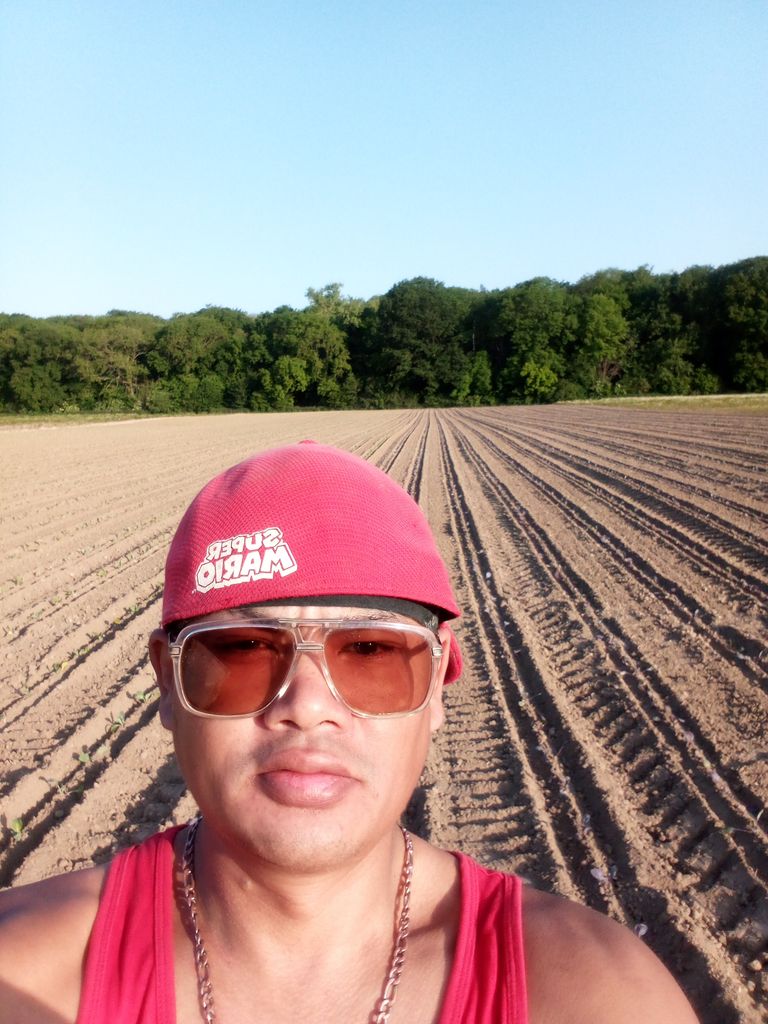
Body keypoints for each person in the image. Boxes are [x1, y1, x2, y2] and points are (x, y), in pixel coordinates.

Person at [0, 441, 698, 1024]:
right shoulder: (23, 975)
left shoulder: (599, 998)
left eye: (370, 653)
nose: (306, 707)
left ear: (438, 685)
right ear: (168, 680)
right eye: (243, 650)